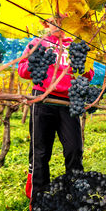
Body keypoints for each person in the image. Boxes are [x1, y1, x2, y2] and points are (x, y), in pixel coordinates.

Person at [18, 15, 94, 199]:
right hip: (43, 99)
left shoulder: (75, 46)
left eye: (62, 20)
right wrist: (36, 60)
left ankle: (75, 192)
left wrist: (81, 62)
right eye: (54, 20)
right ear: (46, 23)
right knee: (40, 151)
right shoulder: (37, 43)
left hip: (69, 102)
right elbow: (22, 70)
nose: (58, 24)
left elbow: (89, 74)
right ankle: (39, 196)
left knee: (74, 149)